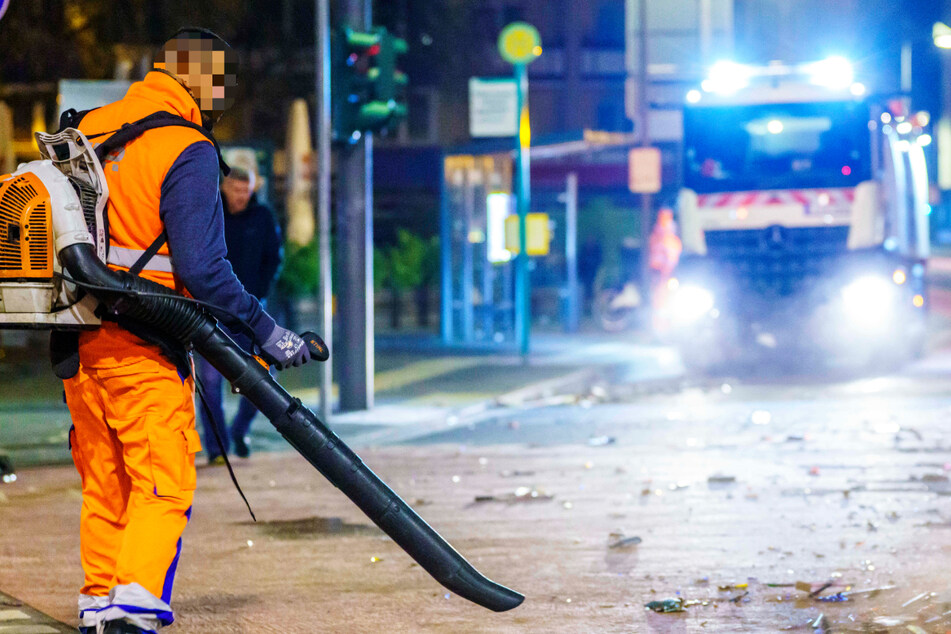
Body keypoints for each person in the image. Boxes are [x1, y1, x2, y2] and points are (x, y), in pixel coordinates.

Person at [64, 28, 310, 634]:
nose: (224, 93)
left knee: (107, 485)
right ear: (193, 73)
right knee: (162, 483)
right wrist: (266, 330)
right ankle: (133, 609)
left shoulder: (90, 130)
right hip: (145, 345)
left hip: (76, 342)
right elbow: (202, 270)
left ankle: (99, 604)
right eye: (221, 79)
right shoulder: (185, 146)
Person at [197, 166, 283, 462]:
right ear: (225, 187)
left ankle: (239, 430)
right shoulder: (211, 214)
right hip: (214, 311)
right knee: (209, 381)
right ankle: (217, 448)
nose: (241, 197)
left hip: (251, 311)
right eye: (236, 190)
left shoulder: (262, 217)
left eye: (245, 191)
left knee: (262, 377)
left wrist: (258, 292)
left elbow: (274, 258)